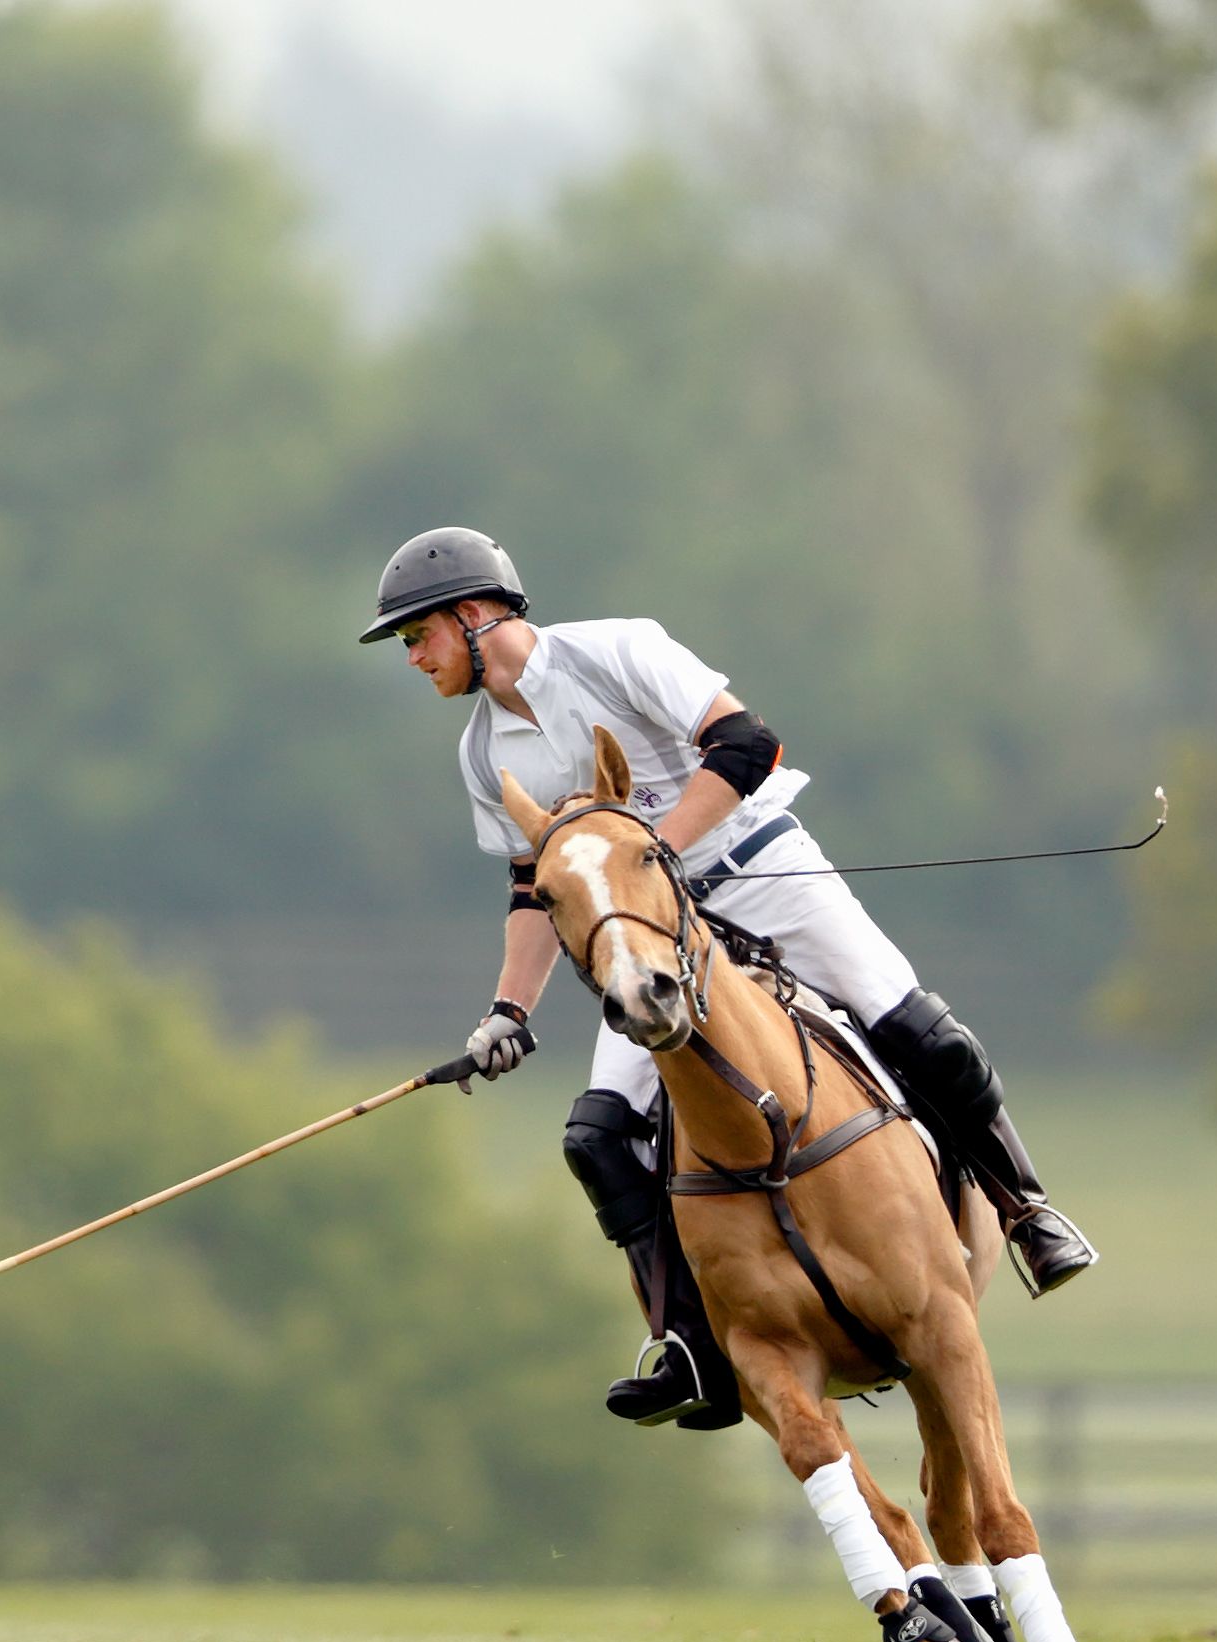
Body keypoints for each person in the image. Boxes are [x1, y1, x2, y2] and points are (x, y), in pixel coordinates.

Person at [361, 526, 1098, 1429]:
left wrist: (650, 856)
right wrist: (508, 1009)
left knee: (916, 1028)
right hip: (648, 938)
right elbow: (533, 885)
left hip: (759, 871)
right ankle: (692, 1344)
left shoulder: (619, 648)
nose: (412, 656)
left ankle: (1027, 1210)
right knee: (596, 1136)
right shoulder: (484, 756)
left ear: (475, 616)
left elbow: (748, 744)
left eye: (417, 634)